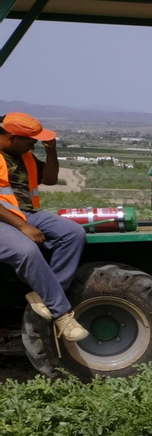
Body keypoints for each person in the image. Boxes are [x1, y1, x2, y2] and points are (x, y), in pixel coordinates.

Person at [0, 112, 87, 341]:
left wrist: (52, 152)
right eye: (31, 140)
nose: (35, 144)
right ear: (11, 138)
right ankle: (62, 314)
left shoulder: (24, 155)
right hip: (5, 219)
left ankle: (44, 297)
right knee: (26, 251)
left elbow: (48, 179)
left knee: (73, 233)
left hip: (25, 213)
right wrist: (22, 226)